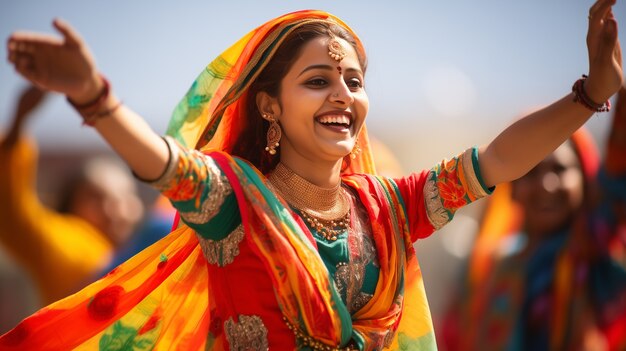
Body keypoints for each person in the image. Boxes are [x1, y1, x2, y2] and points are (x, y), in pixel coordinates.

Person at [0, 2, 622, 349]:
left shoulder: (388, 206)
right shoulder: (234, 200)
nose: (343, 96)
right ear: (270, 105)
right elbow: (163, 163)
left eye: (354, 82)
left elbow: (495, 162)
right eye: (318, 81)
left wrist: (589, 95)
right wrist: (95, 97)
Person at [439, 87, 626, 351]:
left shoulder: (592, 251)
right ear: (510, 188)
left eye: (560, 169)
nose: (547, 185)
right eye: (530, 172)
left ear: (585, 179)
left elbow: (620, 181)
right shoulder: (487, 268)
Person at [0, 84, 144, 306]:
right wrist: (18, 122)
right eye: (96, 198)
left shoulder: (148, 247)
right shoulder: (68, 242)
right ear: (71, 203)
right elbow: (12, 213)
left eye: (122, 198)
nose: (112, 209)